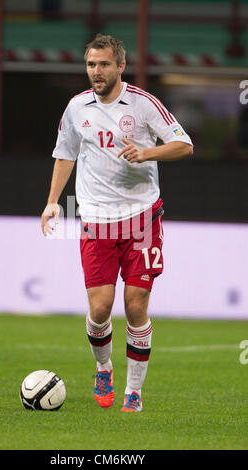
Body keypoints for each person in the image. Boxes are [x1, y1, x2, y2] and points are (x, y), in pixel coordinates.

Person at [41, 34, 193, 412]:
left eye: (104, 64)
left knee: (136, 304)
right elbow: (65, 155)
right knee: (101, 309)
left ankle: (134, 392)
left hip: (142, 218)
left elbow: (184, 144)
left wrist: (147, 152)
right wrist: (52, 203)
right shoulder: (77, 108)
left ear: (120, 66)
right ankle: (104, 367)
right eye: (91, 64)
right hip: (95, 220)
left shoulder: (144, 105)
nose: (96, 71)